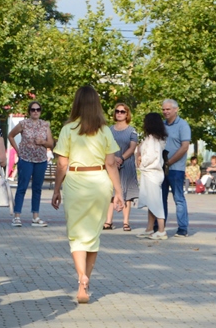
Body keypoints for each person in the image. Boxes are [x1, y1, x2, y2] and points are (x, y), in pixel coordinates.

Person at [50, 86, 124, 304]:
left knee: (76, 233)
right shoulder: (104, 130)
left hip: (75, 182)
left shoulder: (68, 129)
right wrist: (118, 192)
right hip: (100, 182)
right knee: (93, 234)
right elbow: (110, 163)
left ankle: (80, 276)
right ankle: (87, 279)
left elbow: (62, 164)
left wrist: (56, 189)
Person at [8, 101, 54, 227]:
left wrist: (43, 142)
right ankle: (17, 216)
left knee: (37, 188)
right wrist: (19, 151)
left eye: (38, 109)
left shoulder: (45, 125)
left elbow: (51, 143)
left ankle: (36, 216)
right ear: (29, 111)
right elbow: (10, 136)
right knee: (22, 187)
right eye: (33, 110)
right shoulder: (23, 124)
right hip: (26, 159)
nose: (35, 112)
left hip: (40, 160)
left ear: (40, 111)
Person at [151, 99, 191, 237]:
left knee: (179, 198)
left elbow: (184, 147)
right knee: (160, 199)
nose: (165, 112)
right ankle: (159, 227)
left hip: (176, 169)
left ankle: (182, 228)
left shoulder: (183, 125)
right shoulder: (161, 125)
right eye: (163, 109)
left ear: (176, 109)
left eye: (168, 109)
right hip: (160, 169)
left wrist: (170, 162)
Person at [104, 103, 139, 231]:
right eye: (117, 111)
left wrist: (122, 158)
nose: (119, 113)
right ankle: (108, 221)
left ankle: (125, 222)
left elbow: (133, 146)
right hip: (111, 163)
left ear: (127, 114)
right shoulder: (109, 130)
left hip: (126, 163)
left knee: (126, 192)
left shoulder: (132, 130)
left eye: (122, 112)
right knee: (110, 192)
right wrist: (113, 159)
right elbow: (105, 145)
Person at [136, 113, 169, 240]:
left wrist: (141, 161)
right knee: (152, 202)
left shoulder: (151, 140)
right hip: (153, 173)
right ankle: (150, 228)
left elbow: (149, 157)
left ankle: (161, 230)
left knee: (155, 202)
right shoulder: (157, 138)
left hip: (151, 173)